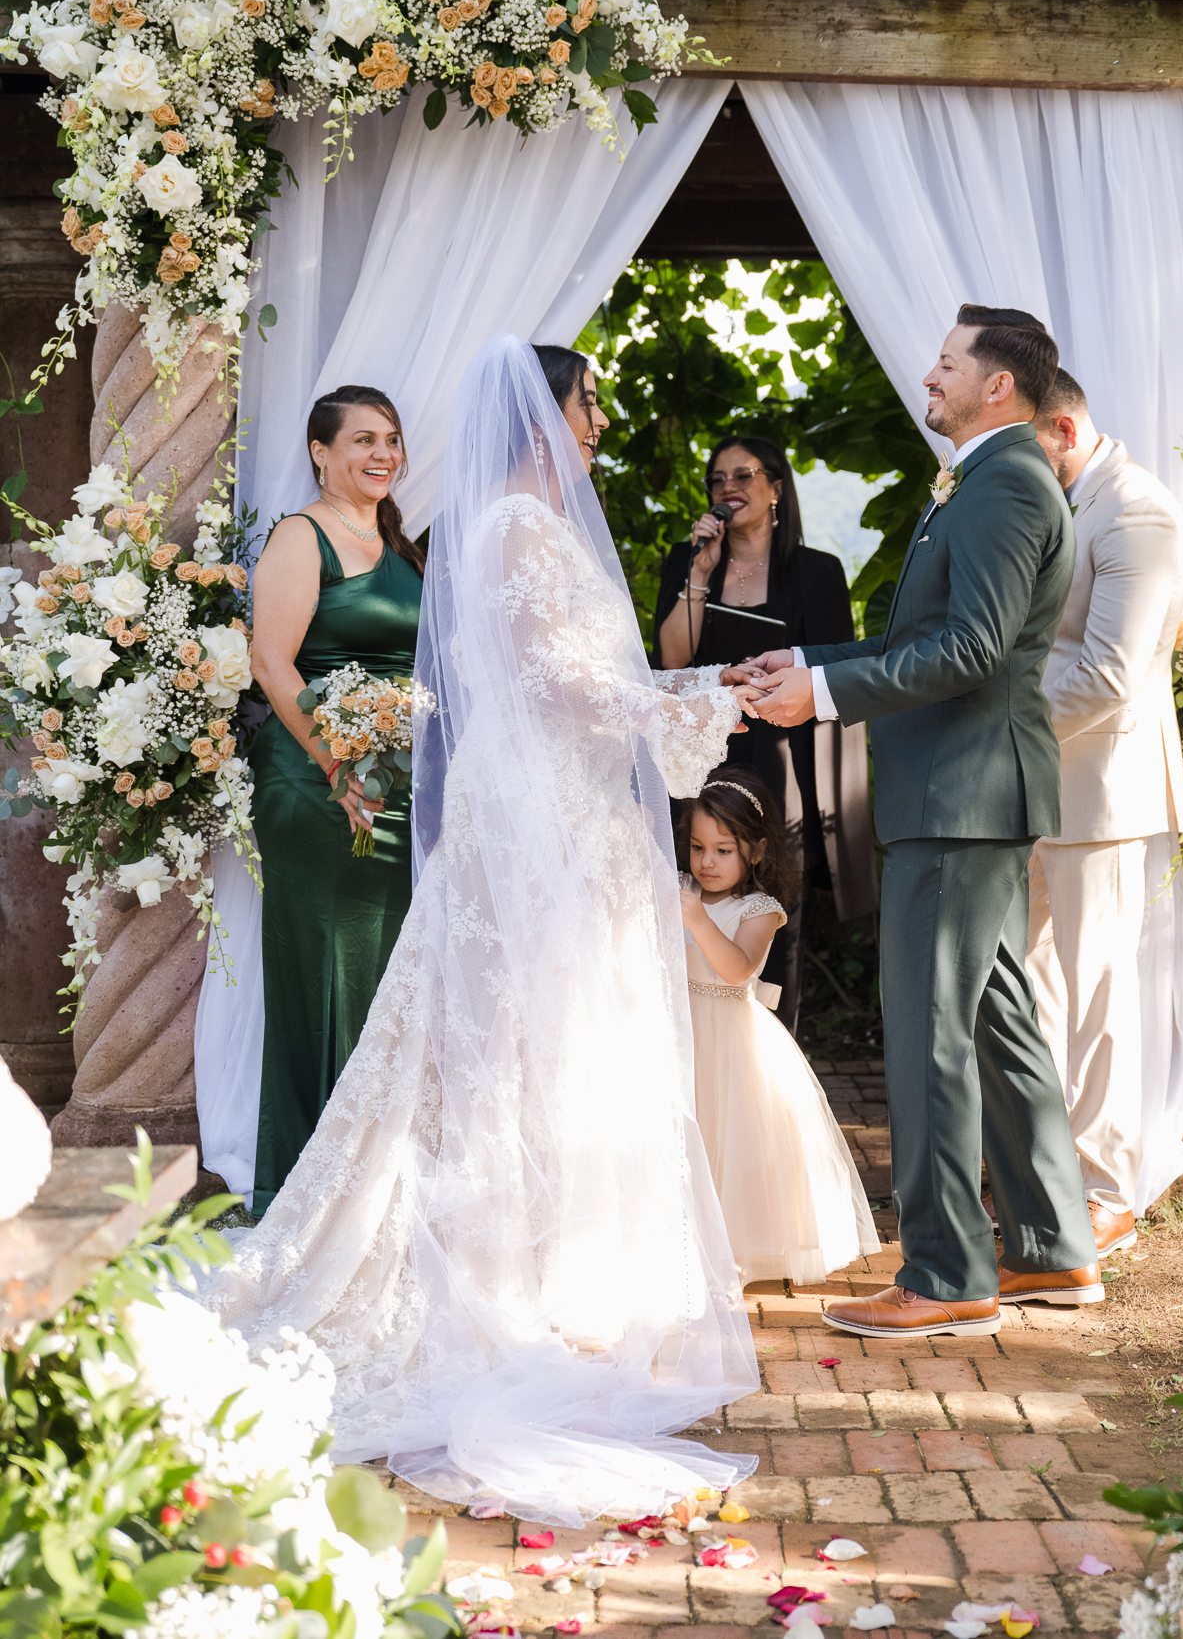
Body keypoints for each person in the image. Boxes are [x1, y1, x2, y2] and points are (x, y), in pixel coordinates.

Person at [202, 336, 758, 1525]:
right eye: (586, 405)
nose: (598, 424)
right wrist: (689, 699)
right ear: (539, 420)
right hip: (532, 813)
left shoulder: (513, 528)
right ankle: (508, 1279)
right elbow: (553, 679)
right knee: (511, 1037)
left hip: (562, 808)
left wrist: (677, 694)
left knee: (552, 1035)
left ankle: (569, 1272)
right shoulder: (507, 526)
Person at [738, 306, 1101, 1331]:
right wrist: (808, 667)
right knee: (998, 1021)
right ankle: (1050, 1250)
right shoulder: (988, 479)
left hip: (960, 792)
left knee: (931, 1029)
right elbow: (938, 637)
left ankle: (946, 1275)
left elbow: (973, 649)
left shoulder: (1005, 483)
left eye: (948, 363)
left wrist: (821, 698)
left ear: (999, 386)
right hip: (962, 789)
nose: (928, 376)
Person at [1028, 367, 1183, 1255]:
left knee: (1098, 996)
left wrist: (992, 711)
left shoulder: (1137, 510)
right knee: (1034, 990)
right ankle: (1045, 1178)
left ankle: (1105, 1191)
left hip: (1103, 791)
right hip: (1029, 788)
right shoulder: (1057, 502)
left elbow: (1109, 673)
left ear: (1061, 429)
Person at [247, 386, 425, 1216]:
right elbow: (274, 666)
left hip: (394, 782)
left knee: (386, 972)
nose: (382, 454)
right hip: (316, 786)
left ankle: (375, 1177)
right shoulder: (300, 536)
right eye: (362, 440)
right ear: (320, 451)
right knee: (323, 972)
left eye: (390, 439)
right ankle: (309, 1186)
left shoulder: (397, 542)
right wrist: (337, 767)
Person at [655, 436, 878, 1033]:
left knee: (775, 904)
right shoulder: (689, 561)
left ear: (776, 488)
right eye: (717, 479)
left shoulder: (817, 572)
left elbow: (835, 677)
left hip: (780, 761)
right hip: (704, 760)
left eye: (744, 475)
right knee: (694, 892)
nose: (728, 488)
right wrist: (699, 572)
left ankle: (773, 1049)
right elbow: (673, 663)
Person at [677, 770, 880, 1284]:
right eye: (698, 847)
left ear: (757, 850)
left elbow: (738, 969)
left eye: (724, 850)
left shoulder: (759, 909)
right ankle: (684, 1239)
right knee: (689, 1136)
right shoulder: (681, 892)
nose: (706, 862)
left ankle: (735, 1247)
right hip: (680, 1029)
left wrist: (697, 920)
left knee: (734, 1140)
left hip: (731, 1038)